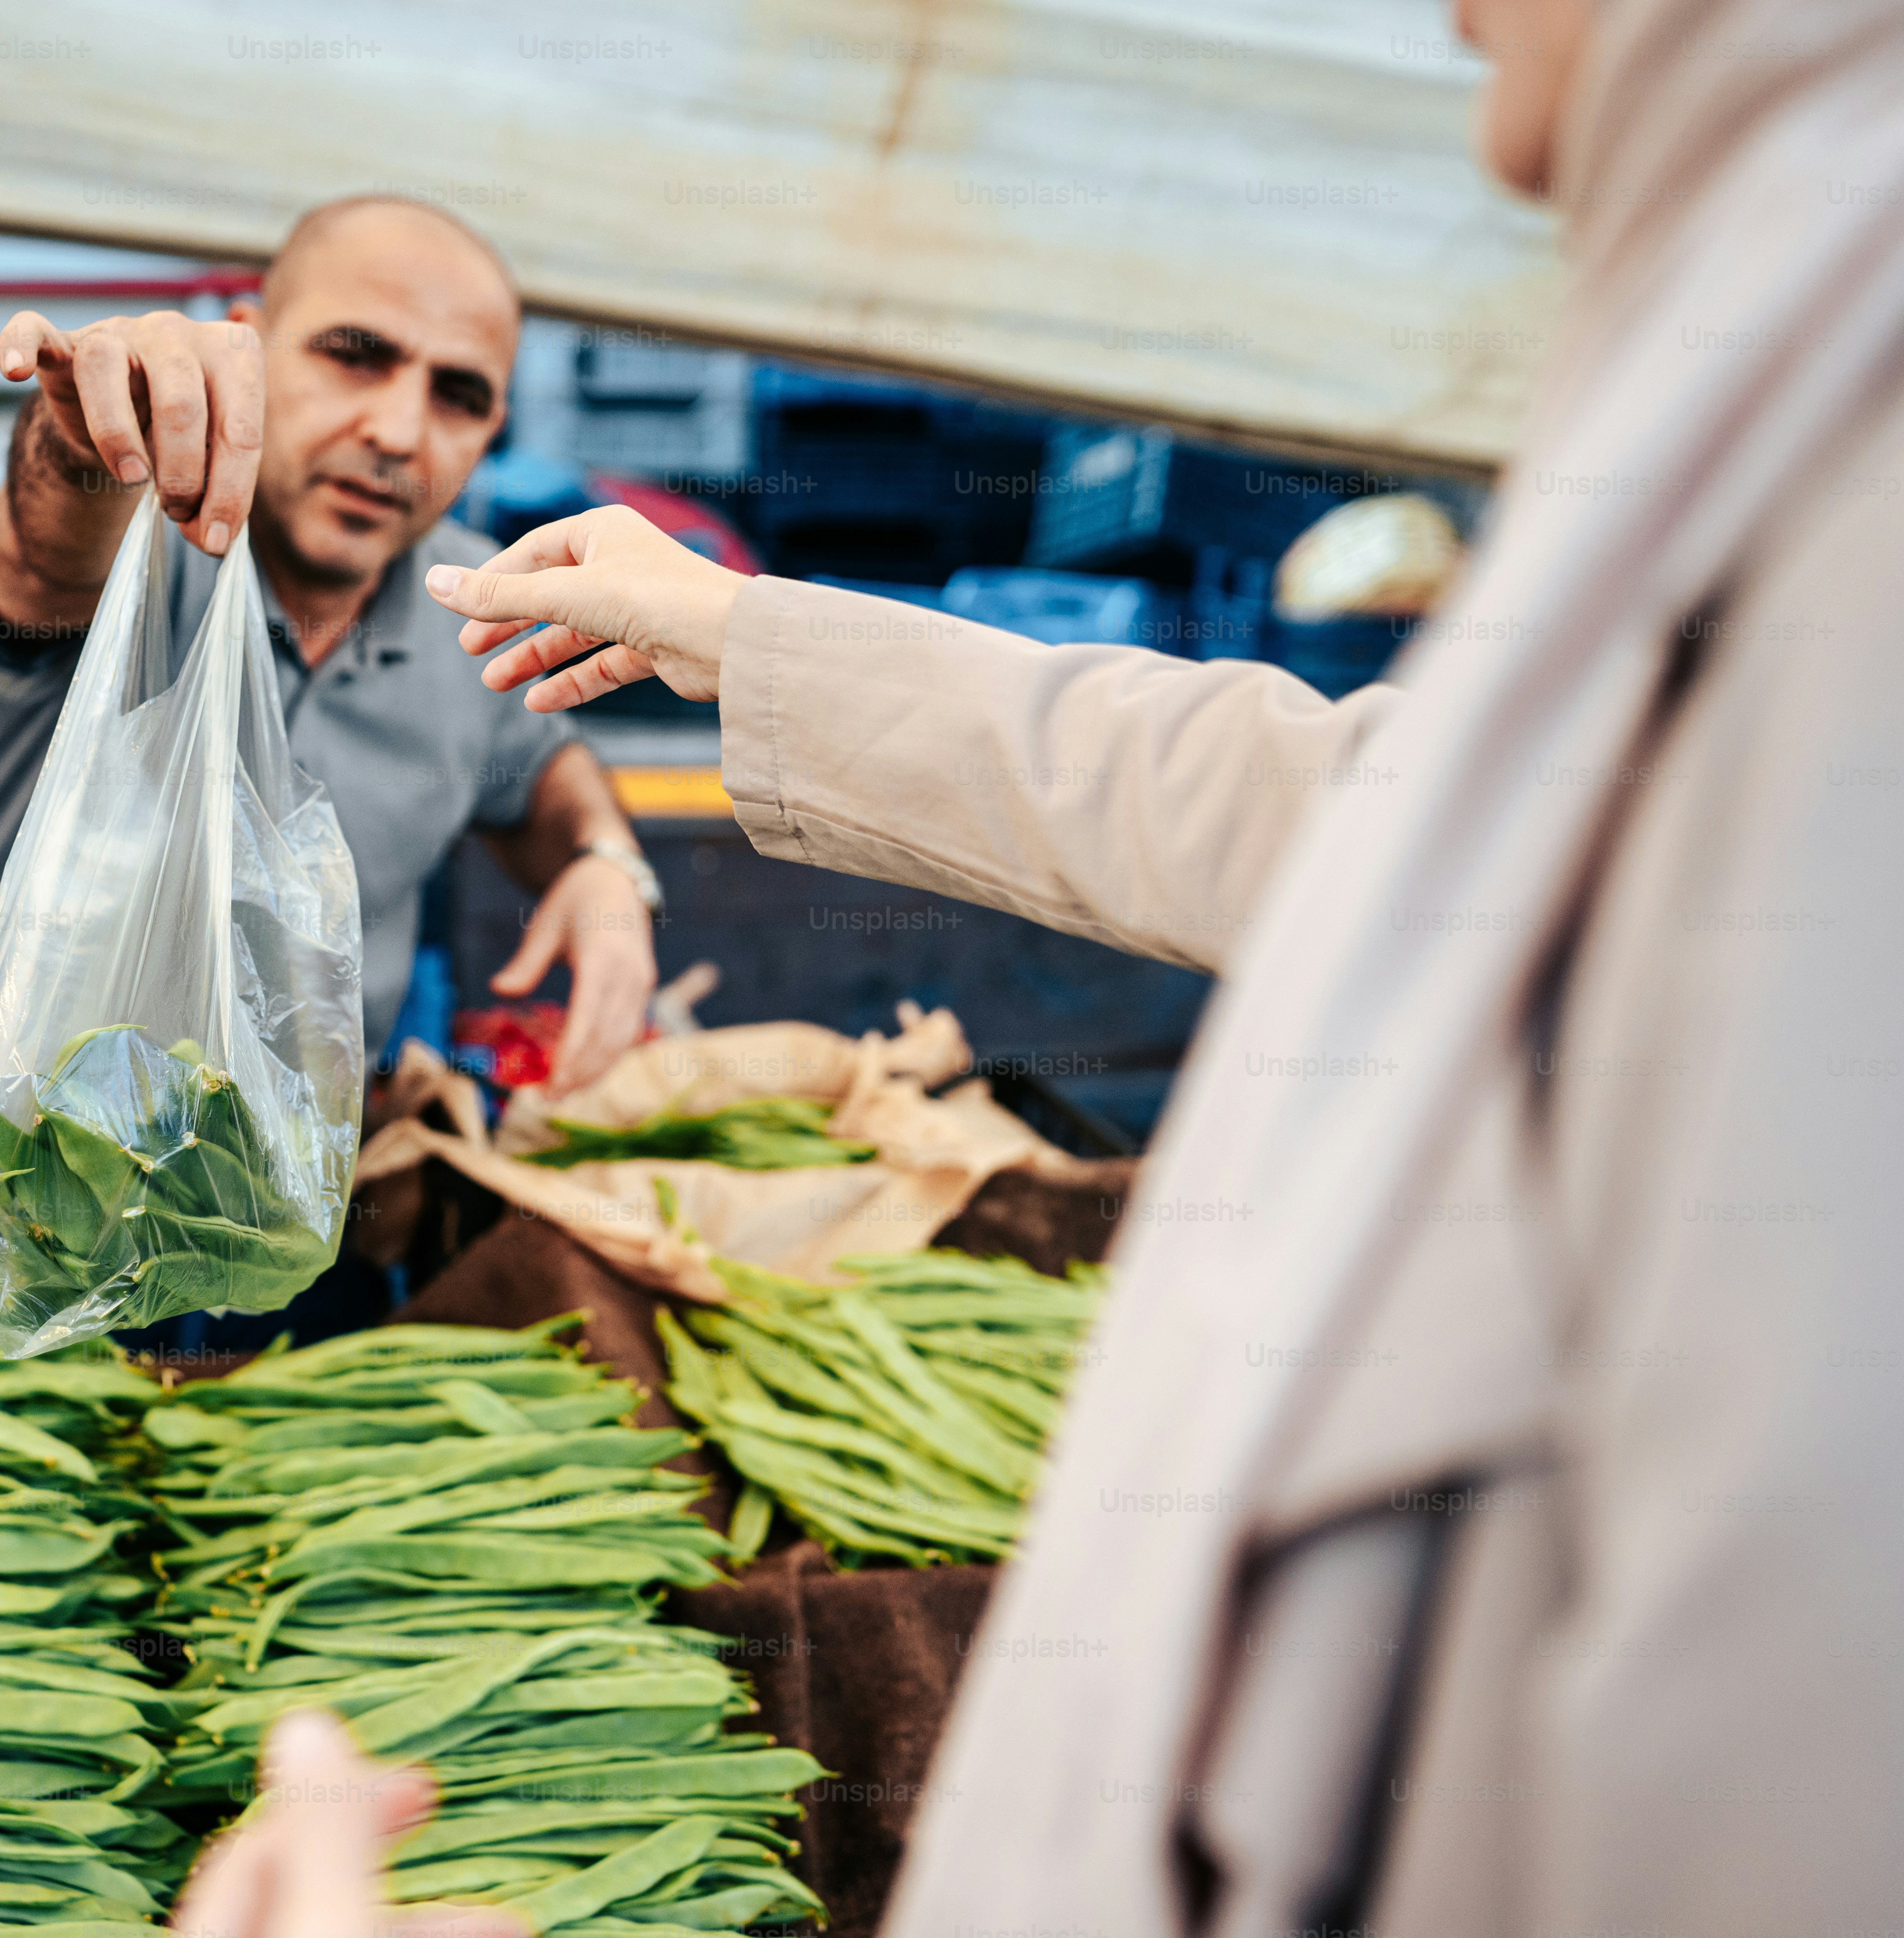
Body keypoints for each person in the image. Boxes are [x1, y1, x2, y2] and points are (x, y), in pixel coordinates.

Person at [179, 0, 1904, 1931]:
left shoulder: (1838, 526)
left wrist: (614, 825)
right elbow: (1296, 790)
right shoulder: (1766, 417)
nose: (1446, 13)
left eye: (456, 385)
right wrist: (741, 640)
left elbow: (1765, 1696)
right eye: (348, 354)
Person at [0, 196, 664, 1336]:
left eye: (458, 394)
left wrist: (604, 864)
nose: (398, 429)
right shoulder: (131, 558)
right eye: (355, 354)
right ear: (247, 340)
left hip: (271, 1254)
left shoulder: (474, 606)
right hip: (1, 1229)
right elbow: (41, 548)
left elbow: (540, 761)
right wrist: (91, 436)